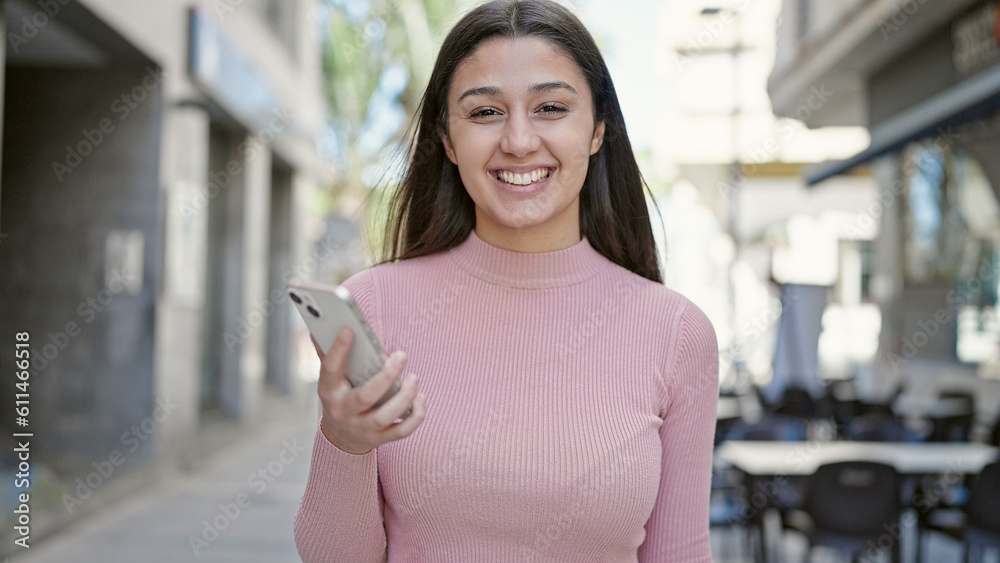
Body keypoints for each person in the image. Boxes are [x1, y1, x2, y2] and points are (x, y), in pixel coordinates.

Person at [293, 1, 719, 561]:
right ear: (447, 140)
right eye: (486, 112)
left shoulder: (677, 332)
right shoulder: (375, 306)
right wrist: (343, 441)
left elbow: (680, 553)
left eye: (550, 107)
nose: (519, 141)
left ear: (597, 130)